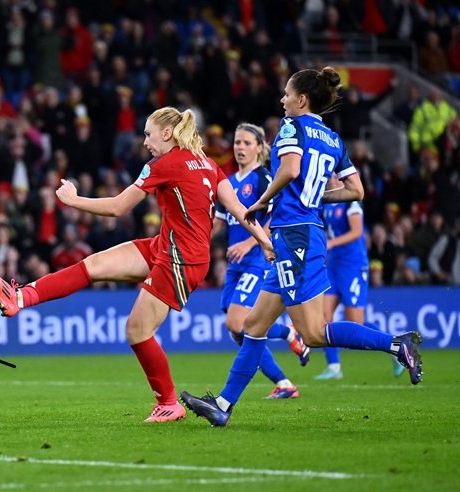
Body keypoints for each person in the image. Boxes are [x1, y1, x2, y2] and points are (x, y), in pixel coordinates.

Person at [0, 107, 275, 422]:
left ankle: (169, 403)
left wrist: (73, 200)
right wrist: (265, 242)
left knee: (137, 331)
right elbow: (239, 208)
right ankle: (21, 297)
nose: (145, 141)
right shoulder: (208, 164)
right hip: (169, 246)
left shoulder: (164, 164)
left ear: (167, 134)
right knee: (93, 265)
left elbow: (117, 207)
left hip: (180, 258)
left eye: (149, 134)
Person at [180, 67, 424, 427]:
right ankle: (223, 405)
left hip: (295, 235)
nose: (282, 100)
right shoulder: (332, 138)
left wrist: (263, 199)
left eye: (286, 94)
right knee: (253, 324)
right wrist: (316, 196)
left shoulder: (292, 127)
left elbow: (291, 170)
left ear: (302, 99)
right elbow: (356, 190)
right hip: (300, 233)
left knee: (313, 332)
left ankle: (396, 344)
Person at [213, 122, 310, 399]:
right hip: (236, 263)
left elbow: (274, 217)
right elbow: (220, 223)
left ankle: (289, 333)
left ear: (259, 148)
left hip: (258, 258)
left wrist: (249, 241)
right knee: (241, 333)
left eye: (246, 143)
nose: (240, 147)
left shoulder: (263, 178)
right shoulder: (228, 182)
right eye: (236, 142)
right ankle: (284, 384)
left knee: (237, 323)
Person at [316, 175, 404, 380]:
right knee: (323, 317)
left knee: (356, 320)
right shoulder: (325, 200)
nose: (328, 175)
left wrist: (331, 243)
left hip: (353, 265)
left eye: (332, 171)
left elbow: (357, 232)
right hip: (333, 266)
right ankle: (334, 367)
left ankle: (395, 346)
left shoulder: (350, 200)